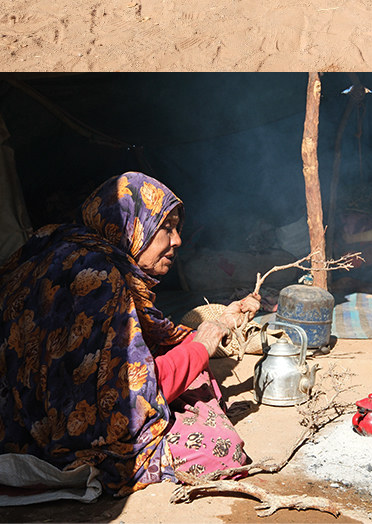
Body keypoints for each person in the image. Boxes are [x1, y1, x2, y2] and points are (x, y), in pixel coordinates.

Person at [0, 172, 260, 495]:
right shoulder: (102, 281)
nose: (177, 240)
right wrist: (200, 349)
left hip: (16, 415)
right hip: (60, 437)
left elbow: (148, 339)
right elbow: (129, 400)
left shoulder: (71, 247)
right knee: (221, 448)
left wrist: (217, 327)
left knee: (193, 372)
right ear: (133, 225)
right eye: (166, 227)